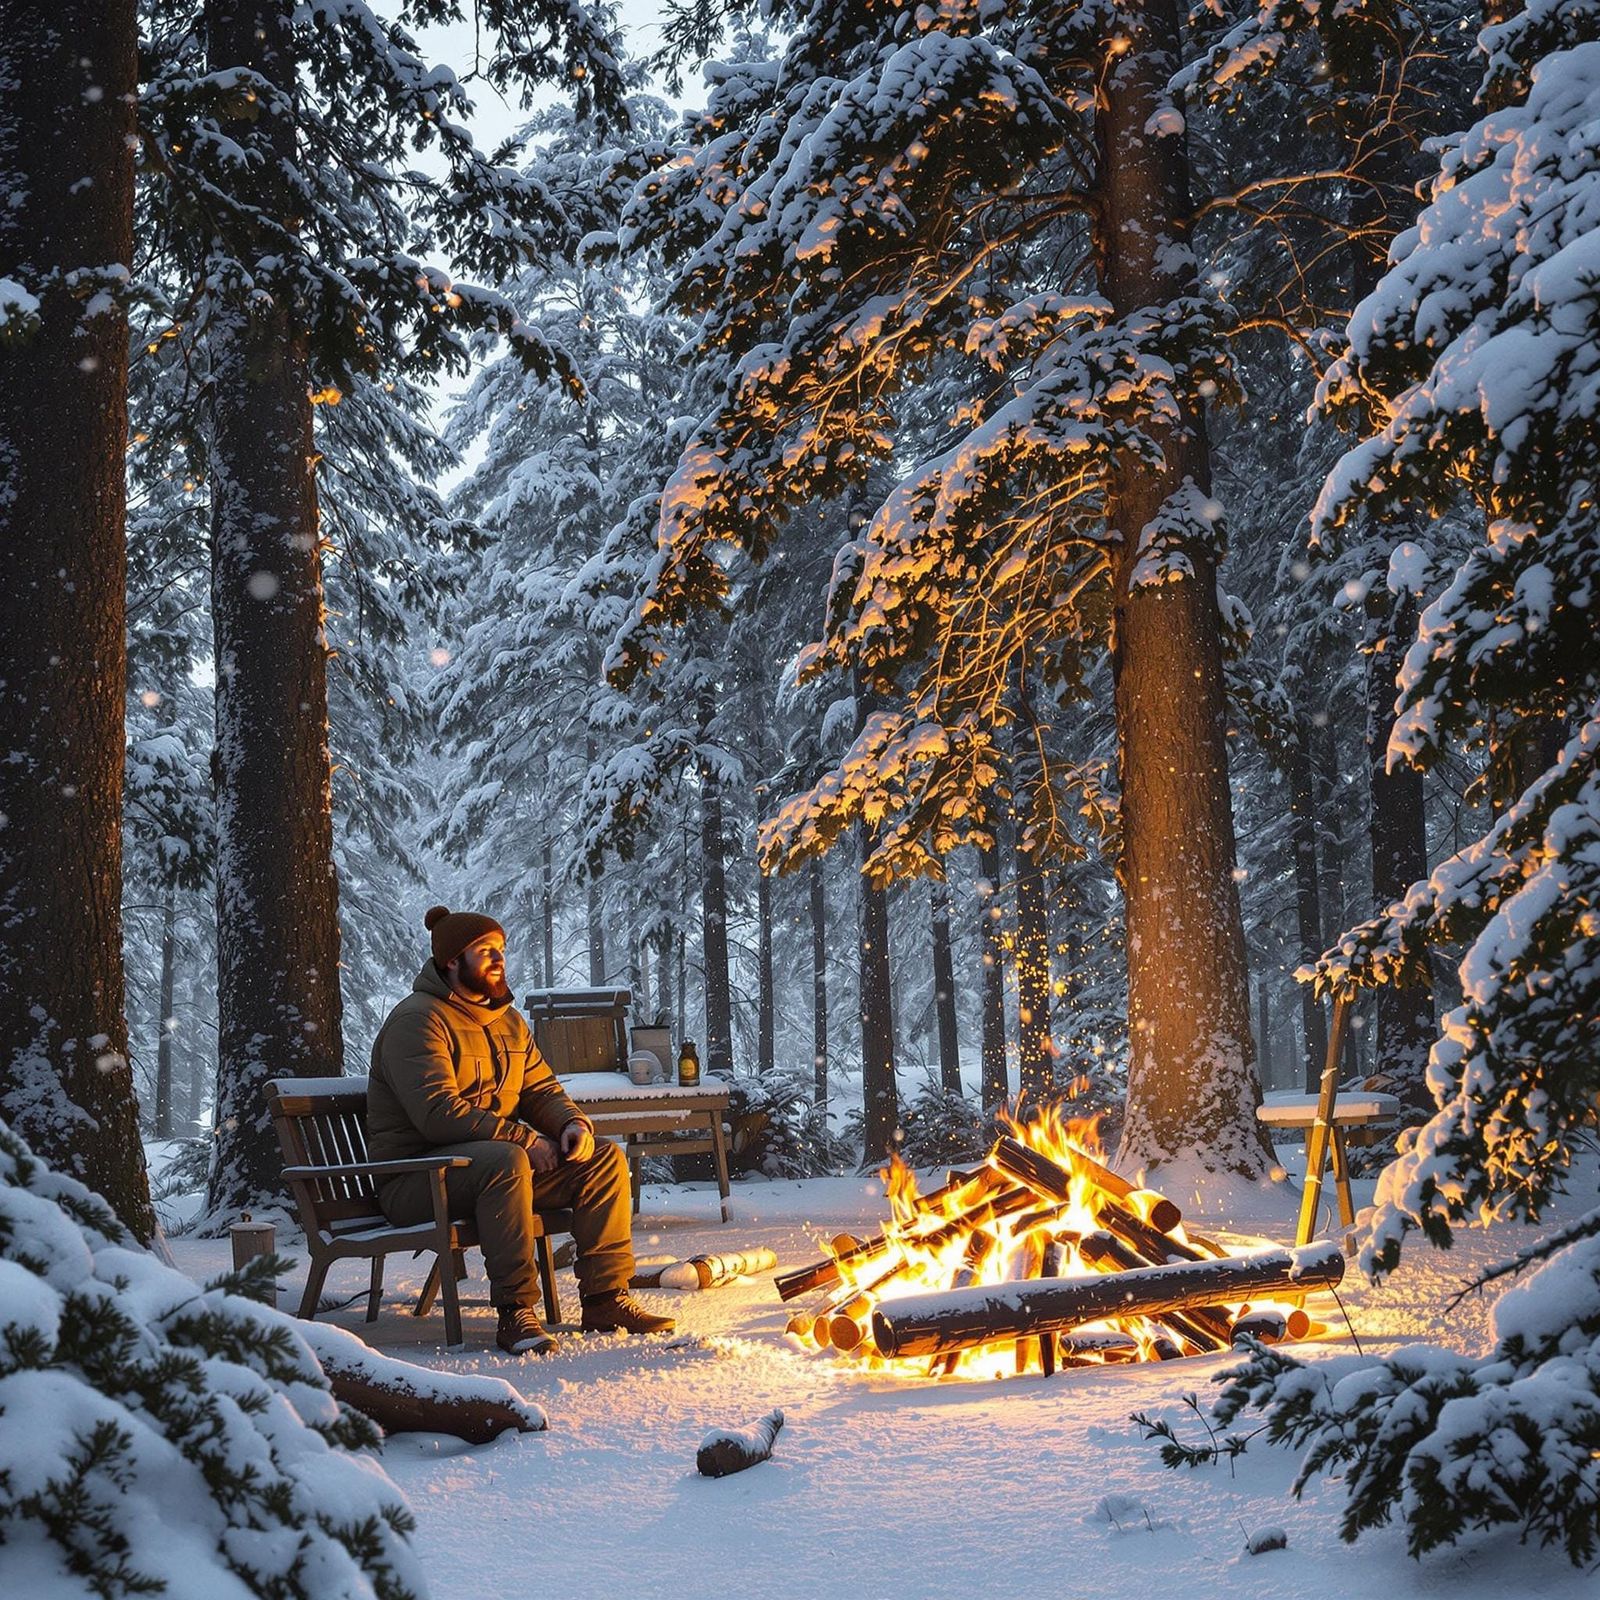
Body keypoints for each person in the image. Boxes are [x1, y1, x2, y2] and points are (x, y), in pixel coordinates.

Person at [368, 904, 675, 1355]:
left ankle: (605, 1298)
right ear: (452, 961)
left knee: (603, 1158)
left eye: (501, 950)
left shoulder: (507, 1021)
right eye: (485, 950)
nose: (498, 959)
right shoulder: (418, 1020)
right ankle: (516, 1311)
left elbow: (539, 1089)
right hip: (417, 1178)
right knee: (507, 1160)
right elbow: (437, 1113)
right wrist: (524, 1139)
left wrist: (570, 1123)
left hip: (487, 1173)